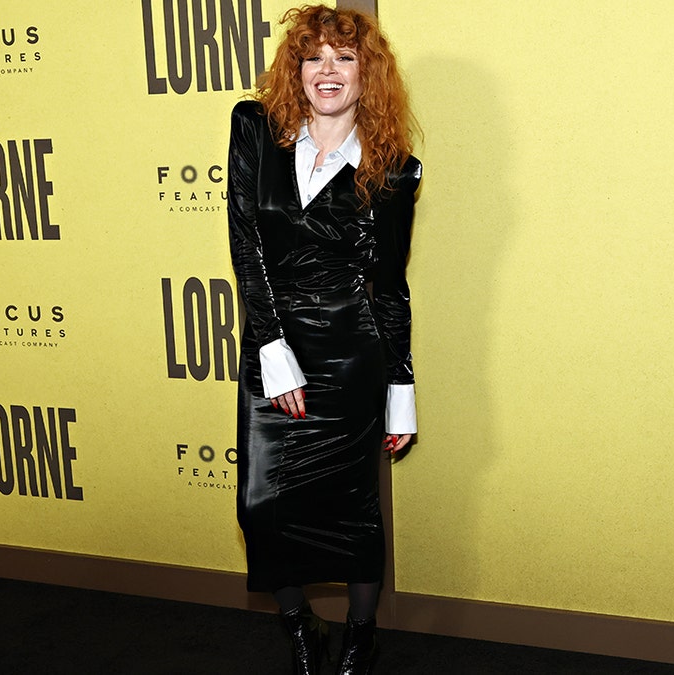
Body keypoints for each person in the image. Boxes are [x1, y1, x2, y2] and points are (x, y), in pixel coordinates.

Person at [227, 5, 420, 674]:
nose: (329, 70)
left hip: (349, 354)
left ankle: (361, 633)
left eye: (345, 57)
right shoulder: (255, 129)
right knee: (261, 506)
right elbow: (246, 243)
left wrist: (401, 388)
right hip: (274, 354)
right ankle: (299, 624)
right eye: (315, 58)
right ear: (297, 70)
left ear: (368, 74)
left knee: (354, 507)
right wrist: (270, 347)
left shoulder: (395, 167)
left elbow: (389, 286)